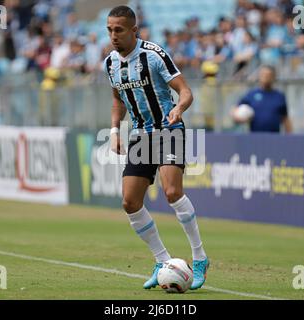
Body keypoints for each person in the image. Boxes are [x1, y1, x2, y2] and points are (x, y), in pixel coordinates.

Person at [103, 6, 209, 290]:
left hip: (168, 129)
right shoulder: (110, 63)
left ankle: (199, 257)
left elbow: (185, 90)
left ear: (133, 30)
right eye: (109, 29)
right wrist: (115, 131)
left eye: (119, 30)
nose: (113, 35)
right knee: (130, 201)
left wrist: (178, 108)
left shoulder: (154, 55)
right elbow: (118, 100)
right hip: (140, 135)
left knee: (173, 192)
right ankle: (162, 261)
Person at [232, 65, 293, 133]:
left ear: (274, 77)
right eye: (263, 75)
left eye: (269, 75)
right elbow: (236, 110)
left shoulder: (279, 96)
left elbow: (285, 118)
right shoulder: (251, 95)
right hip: (255, 137)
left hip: (274, 138)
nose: (266, 77)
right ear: (259, 76)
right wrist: (237, 117)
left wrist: (290, 136)